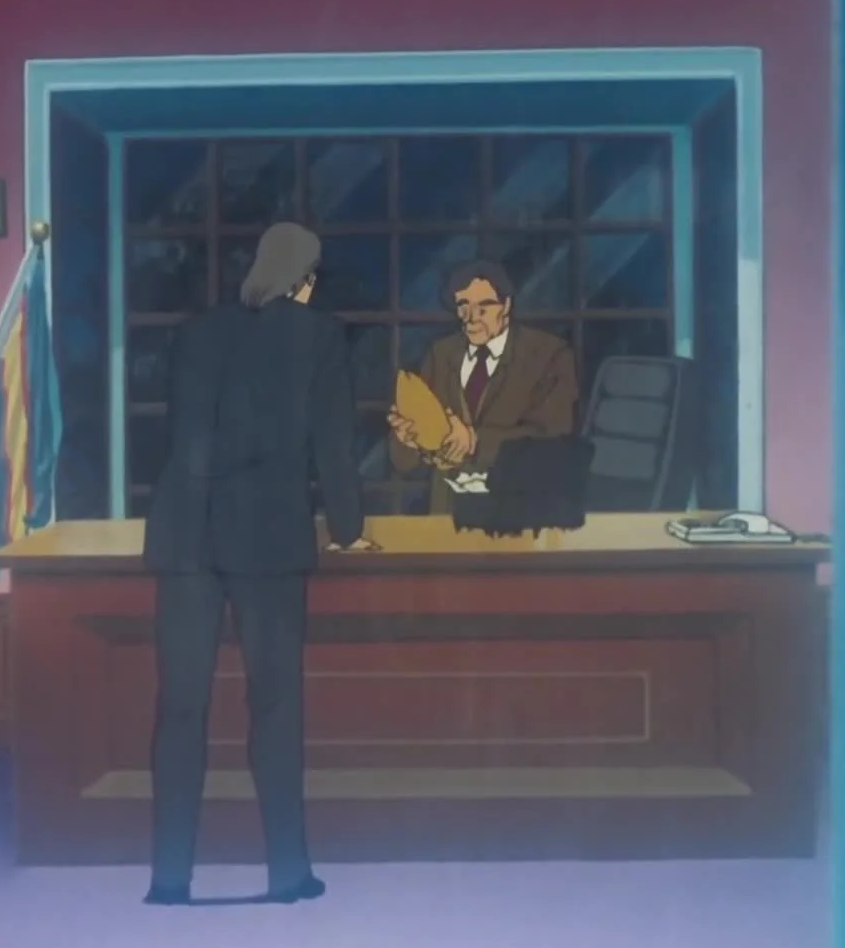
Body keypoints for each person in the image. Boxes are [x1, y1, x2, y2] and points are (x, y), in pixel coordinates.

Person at [141, 222, 377, 906]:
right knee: (274, 706)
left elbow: (181, 437)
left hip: (185, 536)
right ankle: (288, 871)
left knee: (180, 707)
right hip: (268, 537)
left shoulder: (197, 333)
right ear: (304, 280)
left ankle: (169, 878)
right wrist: (349, 527)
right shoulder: (319, 337)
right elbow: (334, 447)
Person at [387, 259, 580, 513]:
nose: (471, 318)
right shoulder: (441, 354)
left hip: (519, 512)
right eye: (463, 306)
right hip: (447, 513)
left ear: (506, 305)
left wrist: (474, 442)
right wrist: (407, 442)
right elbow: (405, 464)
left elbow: (552, 442)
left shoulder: (548, 355)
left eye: (484, 307)